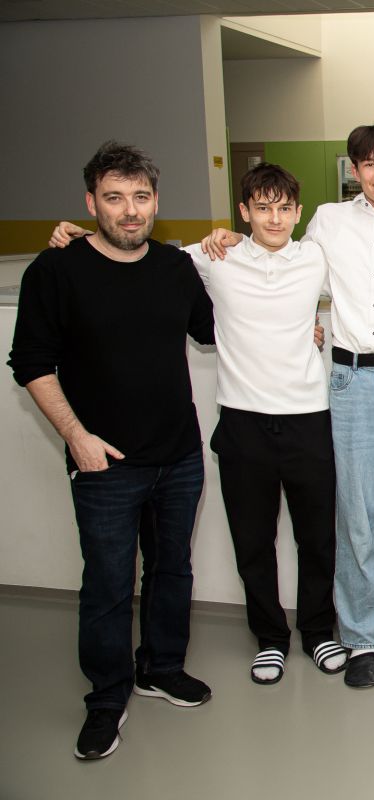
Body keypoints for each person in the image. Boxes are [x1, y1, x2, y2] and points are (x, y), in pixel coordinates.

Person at [51, 164, 345, 686]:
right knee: (253, 541)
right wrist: (76, 239)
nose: (274, 219)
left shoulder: (316, 258)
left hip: (308, 418)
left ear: (298, 213)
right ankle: (270, 639)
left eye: (284, 209)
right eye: (262, 208)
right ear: (244, 212)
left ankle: (319, 631)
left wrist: (317, 329)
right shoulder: (215, 257)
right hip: (242, 422)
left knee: (317, 538)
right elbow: (135, 254)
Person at [204, 123, 374, 690]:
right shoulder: (325, 220)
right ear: (355, 170)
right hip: (351, 382)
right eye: (369, 163)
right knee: (356, 517)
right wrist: (227, 238)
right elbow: (283, 264)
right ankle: (361, 636)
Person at [9, 141, 215, 760]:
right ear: (90, 202)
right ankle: (106, 697)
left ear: (156, 202)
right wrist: (76, 437)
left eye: (140, 197)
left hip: (178, 455)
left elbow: (214, 331)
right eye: (115, 197)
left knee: (172, 569)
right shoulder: (55, 271)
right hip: (103, 461)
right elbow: (31, 364)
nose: (130, 211)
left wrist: (234, 251)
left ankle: (160, 668)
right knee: (106, 583)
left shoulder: (174, 267)